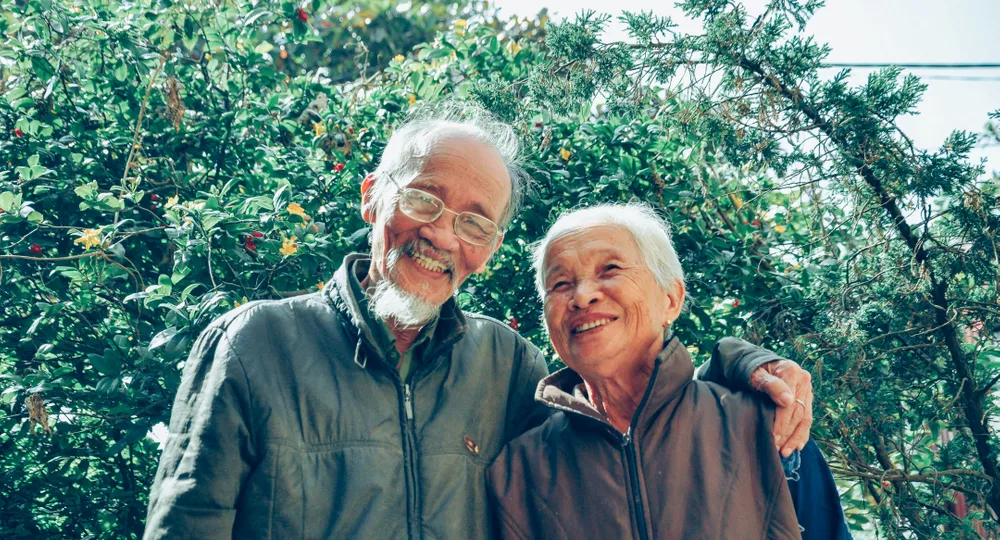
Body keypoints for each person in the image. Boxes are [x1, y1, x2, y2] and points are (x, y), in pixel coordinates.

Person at [143, 104, 816, 539]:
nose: (441, 234)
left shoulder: (507, 364)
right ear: (373, 198)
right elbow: (186, 525)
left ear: (489, 249)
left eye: (473, 222)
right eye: (423, 199)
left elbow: (635, 420)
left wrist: (740, 364)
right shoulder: (257, 344)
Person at [486, 203, 850, 539]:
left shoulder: (764, 425)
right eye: (560, 284)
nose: (581, 296)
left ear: (671, 299)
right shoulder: (519, 471)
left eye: (610, 269)